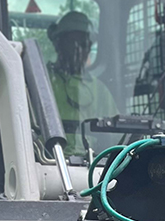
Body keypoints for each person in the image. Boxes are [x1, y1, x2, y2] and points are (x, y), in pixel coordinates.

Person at [46, 10, 116, 154]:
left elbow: (116, 136)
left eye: (84, 44)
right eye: (73, 42)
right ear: (58, 44)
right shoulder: (41, 84)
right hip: (44, 164)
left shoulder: (99, 90)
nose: (79, 50)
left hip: (91, 166)